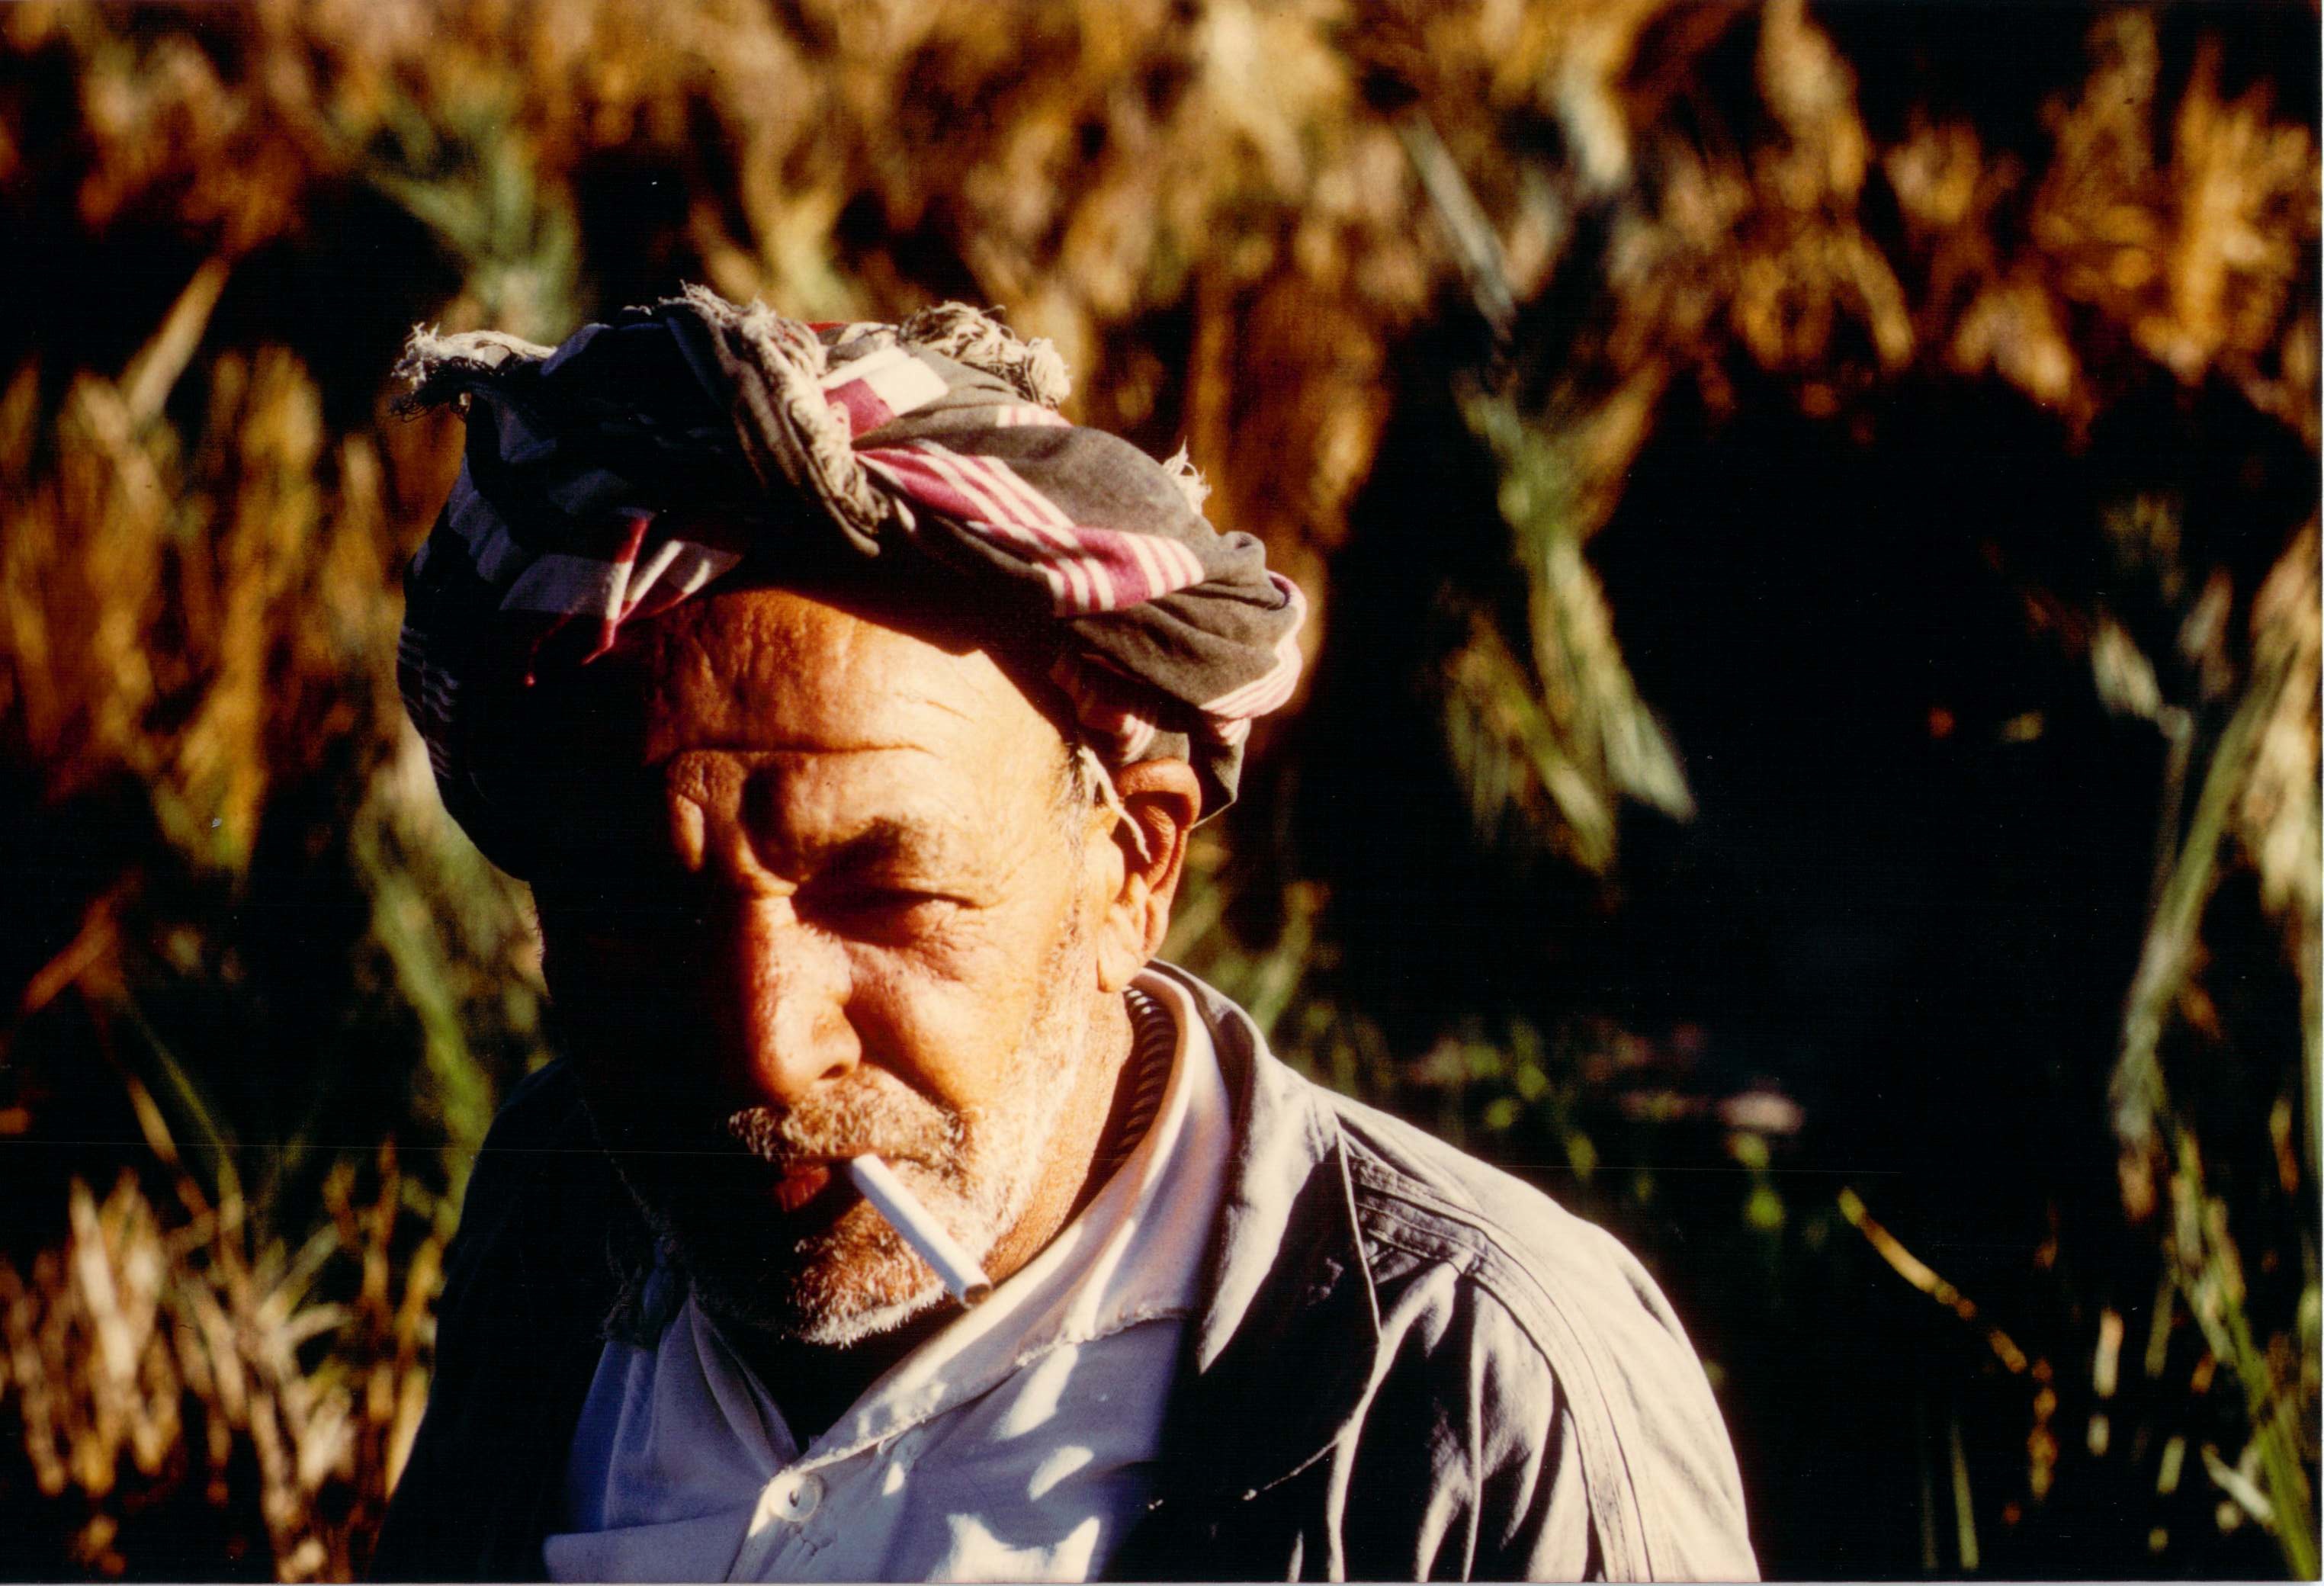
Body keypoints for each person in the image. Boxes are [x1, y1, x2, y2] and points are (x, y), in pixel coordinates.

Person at [368, 289, 1757, 1583]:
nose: (766, 1046)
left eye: (882, 892)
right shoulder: (567, 1202)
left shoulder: (1479, 1391)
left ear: (1133, 867)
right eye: (634, 904)